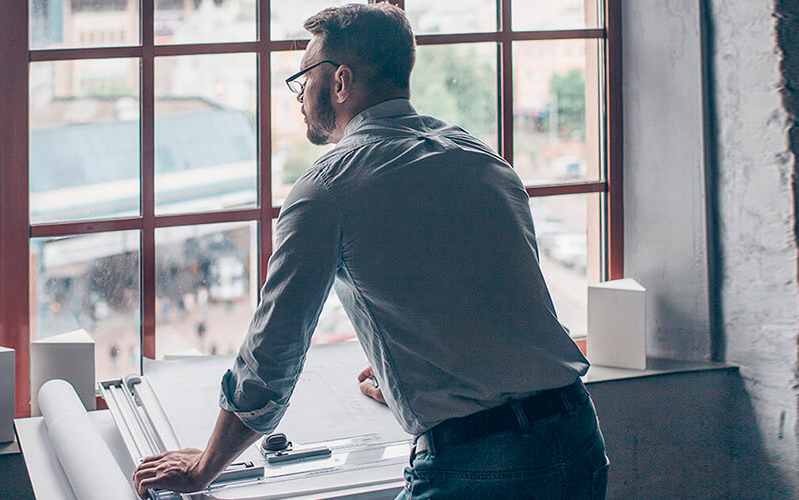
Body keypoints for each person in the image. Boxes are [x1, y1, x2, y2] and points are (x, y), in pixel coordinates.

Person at [131, 4, 607, 499]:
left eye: (305, 77)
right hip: (577, 437)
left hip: (476, 463)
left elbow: (271, 359)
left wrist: (205, 466)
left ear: (340, 82)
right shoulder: (481, 158)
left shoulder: (326, 188)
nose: (299, 94)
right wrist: (419, 386)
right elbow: (493, 303)